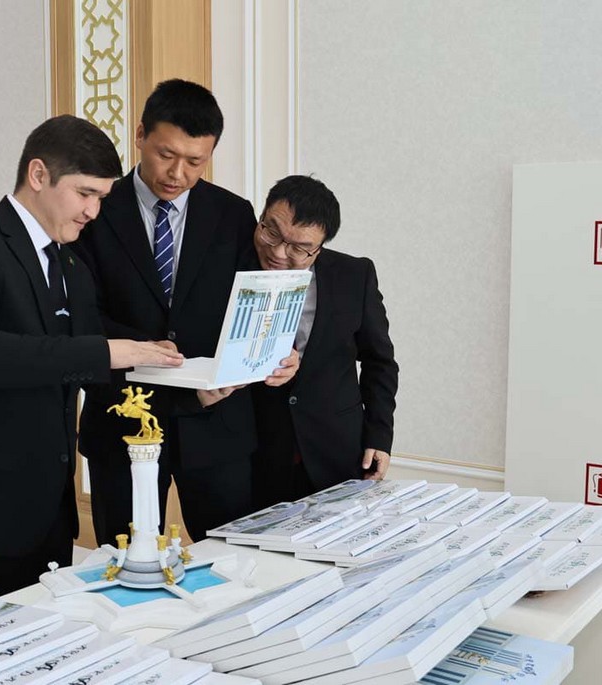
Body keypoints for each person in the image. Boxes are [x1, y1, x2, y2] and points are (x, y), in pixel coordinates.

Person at [0, 115, 183, 615]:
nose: (93, 211)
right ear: (38, 174)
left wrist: (187, 376)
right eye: (85, 194)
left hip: (47, 514)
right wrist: (107, 351)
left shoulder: (70, 263)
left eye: (101, 198)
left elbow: (91, 357)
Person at [71, 79, 296, 543]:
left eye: (195, 161)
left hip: (218, 427)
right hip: (124, 417)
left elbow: (253, 304)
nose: (178, 173)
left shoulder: (232, 213)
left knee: (232, 557)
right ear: (140, 135)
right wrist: (142, 350)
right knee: (125, 557)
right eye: (166, 155)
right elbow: (79, 314)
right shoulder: (95, 210)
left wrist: (277, 349)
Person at [249, 175, 399, 508]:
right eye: (272, 232)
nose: (278, 252)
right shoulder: (230, 267)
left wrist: (379, 435)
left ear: (319, 247)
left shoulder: (354, 276)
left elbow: (379, 362)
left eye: (299, 248)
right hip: (256, 453)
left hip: (338, 452)